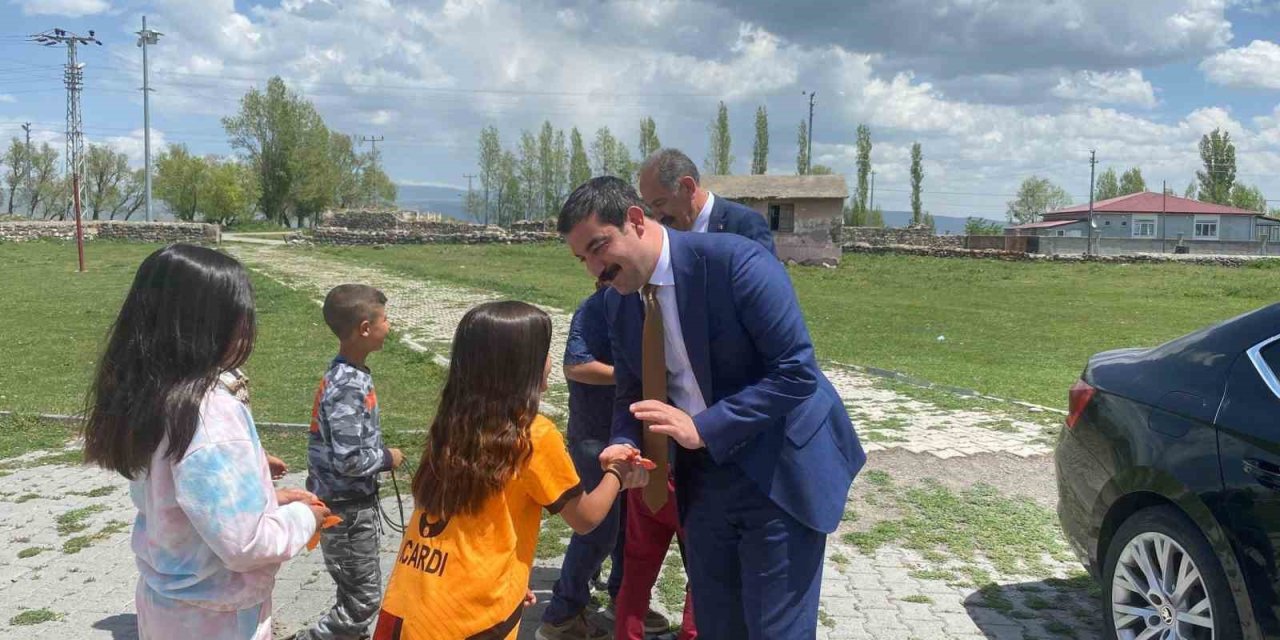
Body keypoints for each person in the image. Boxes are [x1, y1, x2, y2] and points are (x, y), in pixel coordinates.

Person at [557, 177, 865, 639]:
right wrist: (624, 442)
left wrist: (704, 426)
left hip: (778, 470)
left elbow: (796, 372)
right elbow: (632, 392)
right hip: (701, 481)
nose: (594, 269)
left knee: (773, 630)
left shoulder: (735, 262)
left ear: (637, 221)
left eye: (599, 248)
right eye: (583, 258)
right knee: (718, 625)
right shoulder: (618, 303)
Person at [82, 244, 329, 640]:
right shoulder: (209, 413)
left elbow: (176, 499)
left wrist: (264, 495)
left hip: (166, 608)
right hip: (218, 619)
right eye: (241, 317)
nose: (247, 327)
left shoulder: (153, 393)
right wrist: (305, 518)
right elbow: (246, 544)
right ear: (208, 324)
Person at [374, 301, 649, 640]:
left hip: (408, 604)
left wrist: (511, 577)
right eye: (546, 351)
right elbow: (587, 518)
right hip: (473, 618)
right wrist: (618, 472)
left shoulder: (451, 422)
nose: (551, 362)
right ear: (522, 365)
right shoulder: (533, 433)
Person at [298, 284, 406, 640]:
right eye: (384, 320)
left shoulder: (350, 374)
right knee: (362, 601)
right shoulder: (347, 384)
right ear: (364, 328)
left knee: (353, 594)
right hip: (345, 511)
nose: (388, 327)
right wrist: (387, 458)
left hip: (350, 506)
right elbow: (349, 460)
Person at [535, 285, 625, 640]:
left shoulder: (642, 306)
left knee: (627, 527)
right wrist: (630, 376)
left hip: (625, 432)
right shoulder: (596, 309)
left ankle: (623, 597)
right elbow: (575, 366)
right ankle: (562, 613)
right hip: (594, 436)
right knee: (597, 530)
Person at [637, 147, 776, 256]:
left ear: (688, 187)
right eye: (649, 207)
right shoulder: (663, 233)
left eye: (660, 203)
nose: (656, 216)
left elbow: (767, 286)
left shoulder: (744, 225)